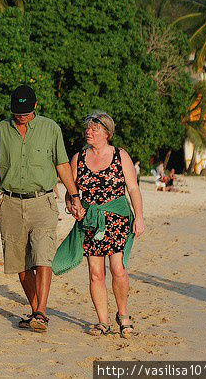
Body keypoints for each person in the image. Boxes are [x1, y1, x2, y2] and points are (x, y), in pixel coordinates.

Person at [0, 85, 85, 333]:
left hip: (43, 202)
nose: (22, 116)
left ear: (35, 107)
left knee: (42, 256)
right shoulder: (1, 130)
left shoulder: (51, 129)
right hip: (11, 203)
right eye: (18, 112)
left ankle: (41, 312)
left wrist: (74, 195)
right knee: (20, 263)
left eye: (26, 112)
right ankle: (37, 309)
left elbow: (61, 164)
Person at [53, 111, 145, 338]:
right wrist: (72, 206)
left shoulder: (120, 156)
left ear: (107, 133)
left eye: (95, 129)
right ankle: (103, 322)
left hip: (117, 219)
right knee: (96, 274)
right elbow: (71, 191)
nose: (89, 132)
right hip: (91, 221)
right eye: (88, 128)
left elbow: (133, 188)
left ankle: (123, 315)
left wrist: (140, 216)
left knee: (118, 269)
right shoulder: (78, 158)